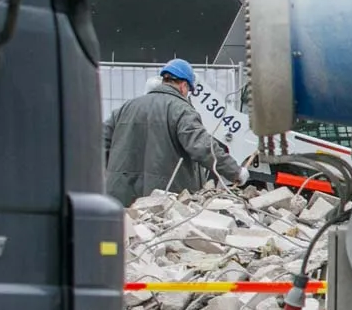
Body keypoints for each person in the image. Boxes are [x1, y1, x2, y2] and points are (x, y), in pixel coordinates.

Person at [103, 59, 248, 206]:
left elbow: (100, 143)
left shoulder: (126, 107)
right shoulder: (182, 110)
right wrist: (235, 172)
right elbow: (202, 147)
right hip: (164, 201)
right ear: (184, 86)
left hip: (121, 198)